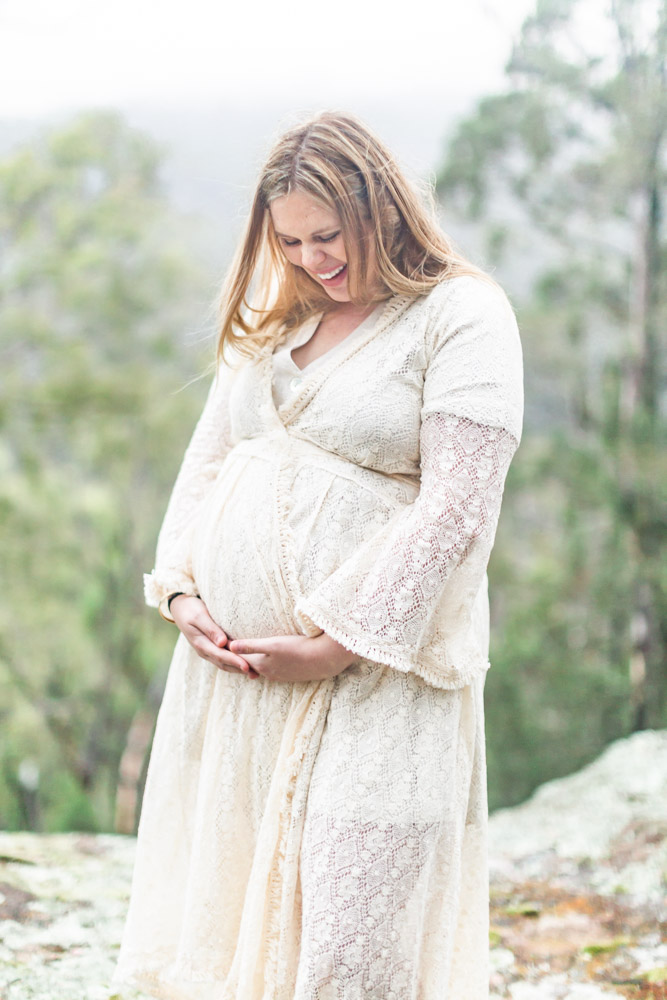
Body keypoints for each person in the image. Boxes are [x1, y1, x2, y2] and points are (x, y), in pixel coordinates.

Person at [112, 110, 523, 1000]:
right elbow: (209, 461)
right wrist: (180, 592)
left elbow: (458, 506)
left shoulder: (461, 315)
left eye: (328, 235)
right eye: (291, 241)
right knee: (231, 934)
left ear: (382, 206)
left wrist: (335, 643)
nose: (312, 258)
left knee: (350, 945)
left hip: (379, 676)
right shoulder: (278, 320)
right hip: (238, 688)